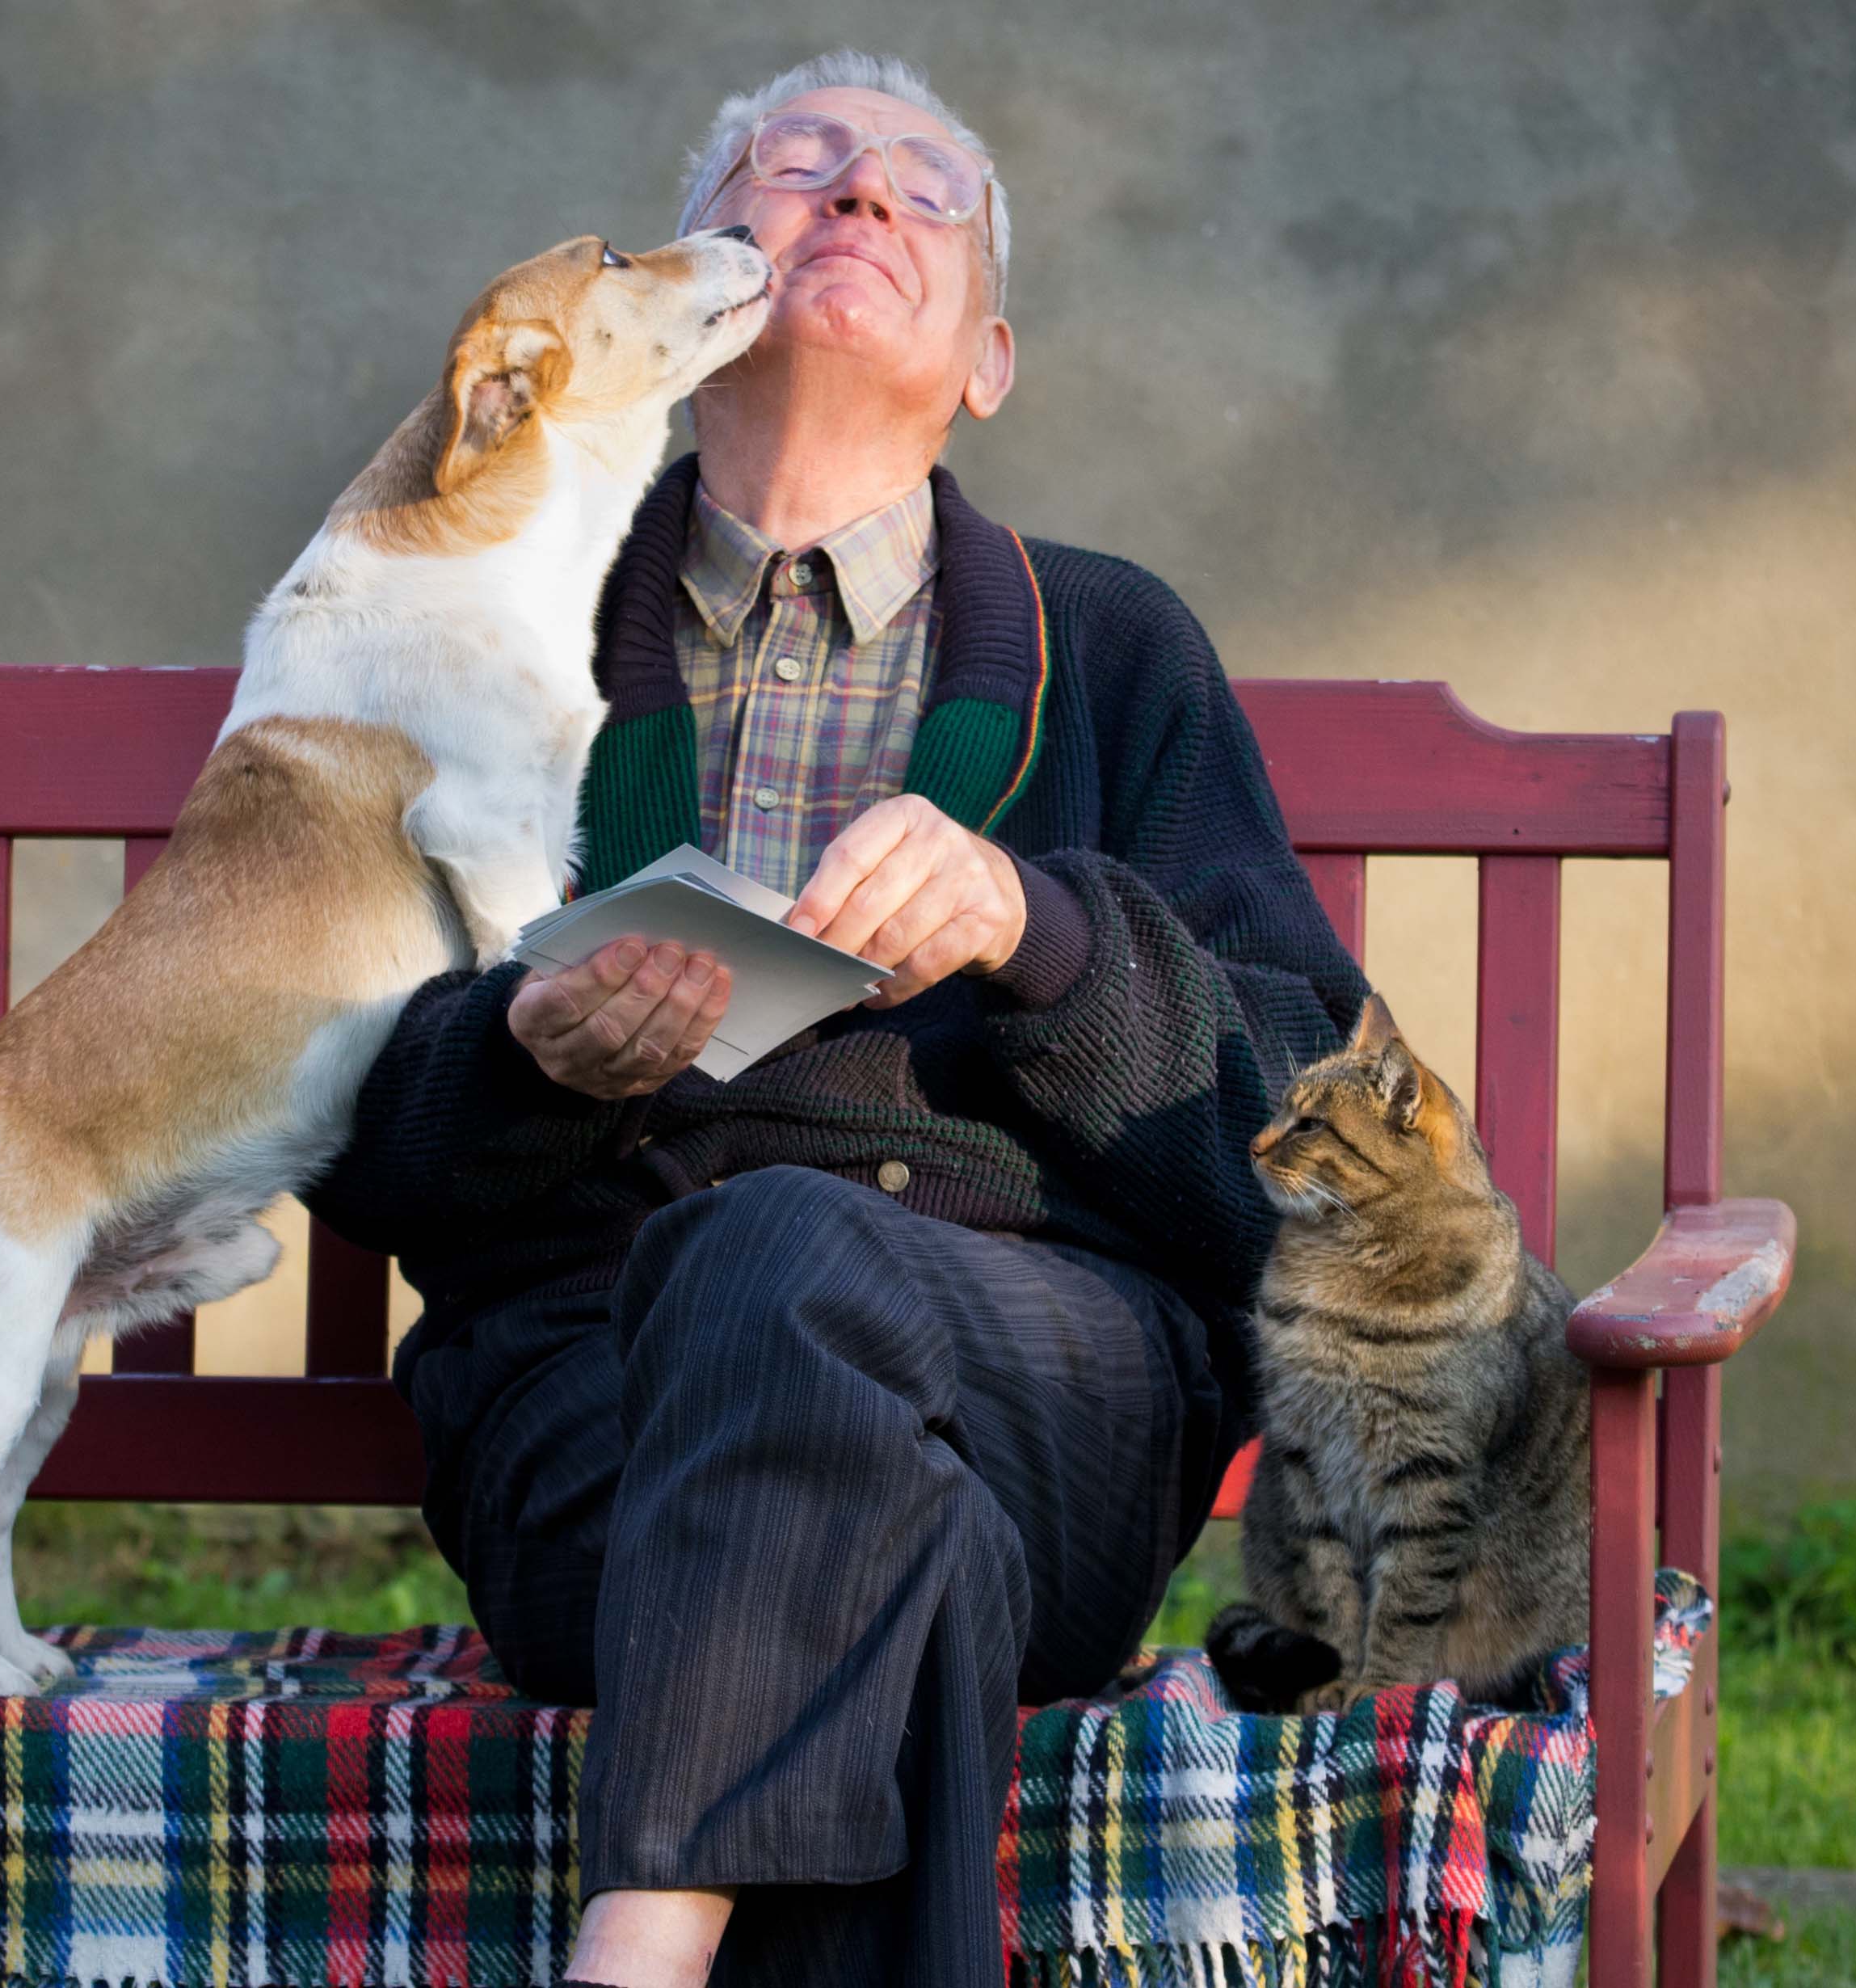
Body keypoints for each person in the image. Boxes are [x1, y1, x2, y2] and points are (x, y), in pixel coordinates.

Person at [308, 50, 1368, 1988]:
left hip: (1045, 1389)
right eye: (793, 166)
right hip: (597, 1418)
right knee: (905, 1557)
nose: (860, 193)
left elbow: (1310, 1156)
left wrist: (1042, 933)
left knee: (789, 1259)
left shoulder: (1115, 649)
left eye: (923, 189)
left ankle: (636, 1947)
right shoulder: (484, 641)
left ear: (987, 362)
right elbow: (336, 1126)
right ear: (688, 296)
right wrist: (524, 1057)